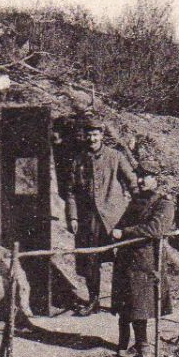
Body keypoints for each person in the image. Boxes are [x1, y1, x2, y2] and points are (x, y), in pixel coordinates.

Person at [60, 117, 136, 315]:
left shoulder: (116, 156)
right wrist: (73, 217)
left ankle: (122, 302)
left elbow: (132, 182)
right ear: (84, 136)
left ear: (102, 135)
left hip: (114, 217)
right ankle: (93, 301)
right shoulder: (78, 160)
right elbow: (70, 192)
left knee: (122, 259)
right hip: (88, 219)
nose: (92, 138)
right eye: (89, 135)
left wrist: (133, 209)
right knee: (90, 261)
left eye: (95, 134)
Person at [110, 158, 175, 357]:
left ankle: (142, 346)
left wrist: (125, 232)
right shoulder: (136, 201)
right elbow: (120, 224)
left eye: (145, 177)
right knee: (124, 303)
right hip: (126, 258)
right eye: (139, 176)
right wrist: (118, 231)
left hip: (146, 261)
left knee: (140, 305)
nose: (140, 181)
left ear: (156, 180)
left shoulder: (164, 204)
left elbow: (155, 229)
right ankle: (124, 343)